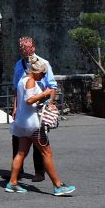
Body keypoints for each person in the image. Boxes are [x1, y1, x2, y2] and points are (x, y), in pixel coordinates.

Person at [5, 57, 76, 196]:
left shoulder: (22, 80)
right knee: (46, 153)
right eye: (42, 74)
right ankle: (58, 185)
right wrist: (44, 94)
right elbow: (29, 100)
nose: (43, 76)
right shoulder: (31, 81)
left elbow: (25, 100)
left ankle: (12, 182)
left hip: (22, 122)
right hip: (33, 123)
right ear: (35, 71)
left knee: (21, 152)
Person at [11, 37, 56, 182]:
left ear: (33, 48)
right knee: (25, 145)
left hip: (38, 108)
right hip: (28, 111)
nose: (23, 50)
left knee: (32, 148)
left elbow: (52, 85)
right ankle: (17, 174)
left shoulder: (43, 64)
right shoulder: (19, 65)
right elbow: (18, 91)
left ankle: (39, 172)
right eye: (21, 47)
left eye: (26, 47)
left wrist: (49, 103)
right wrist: (15, 106)